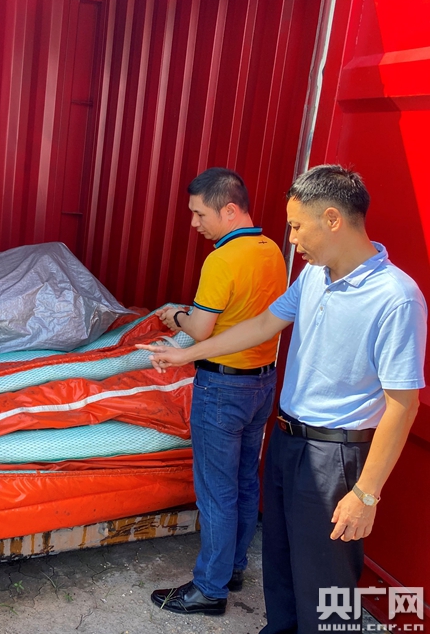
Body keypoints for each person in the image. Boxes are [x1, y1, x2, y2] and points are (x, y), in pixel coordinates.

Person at [141, 165, 426, 633]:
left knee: (325, 580)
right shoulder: (314, 276)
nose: (290, 239)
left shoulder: (396, 297)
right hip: (288, 436)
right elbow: (261, 325)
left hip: (336, 455)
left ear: (332, 219)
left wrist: (365, 493)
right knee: (280, 561)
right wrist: (185, 355)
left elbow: (403, 403)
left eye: (296, 226)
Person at [148, 168, 287, 616]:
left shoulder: (222, 259)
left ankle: (209, 589)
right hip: (261, 384)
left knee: (216, 492)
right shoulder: (272, 251)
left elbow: (201, 328)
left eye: (199, 214)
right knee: (245, 482)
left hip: (223, 388)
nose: (194, 224)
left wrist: (176, 315)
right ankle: (232, 568)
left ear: (229, 210)